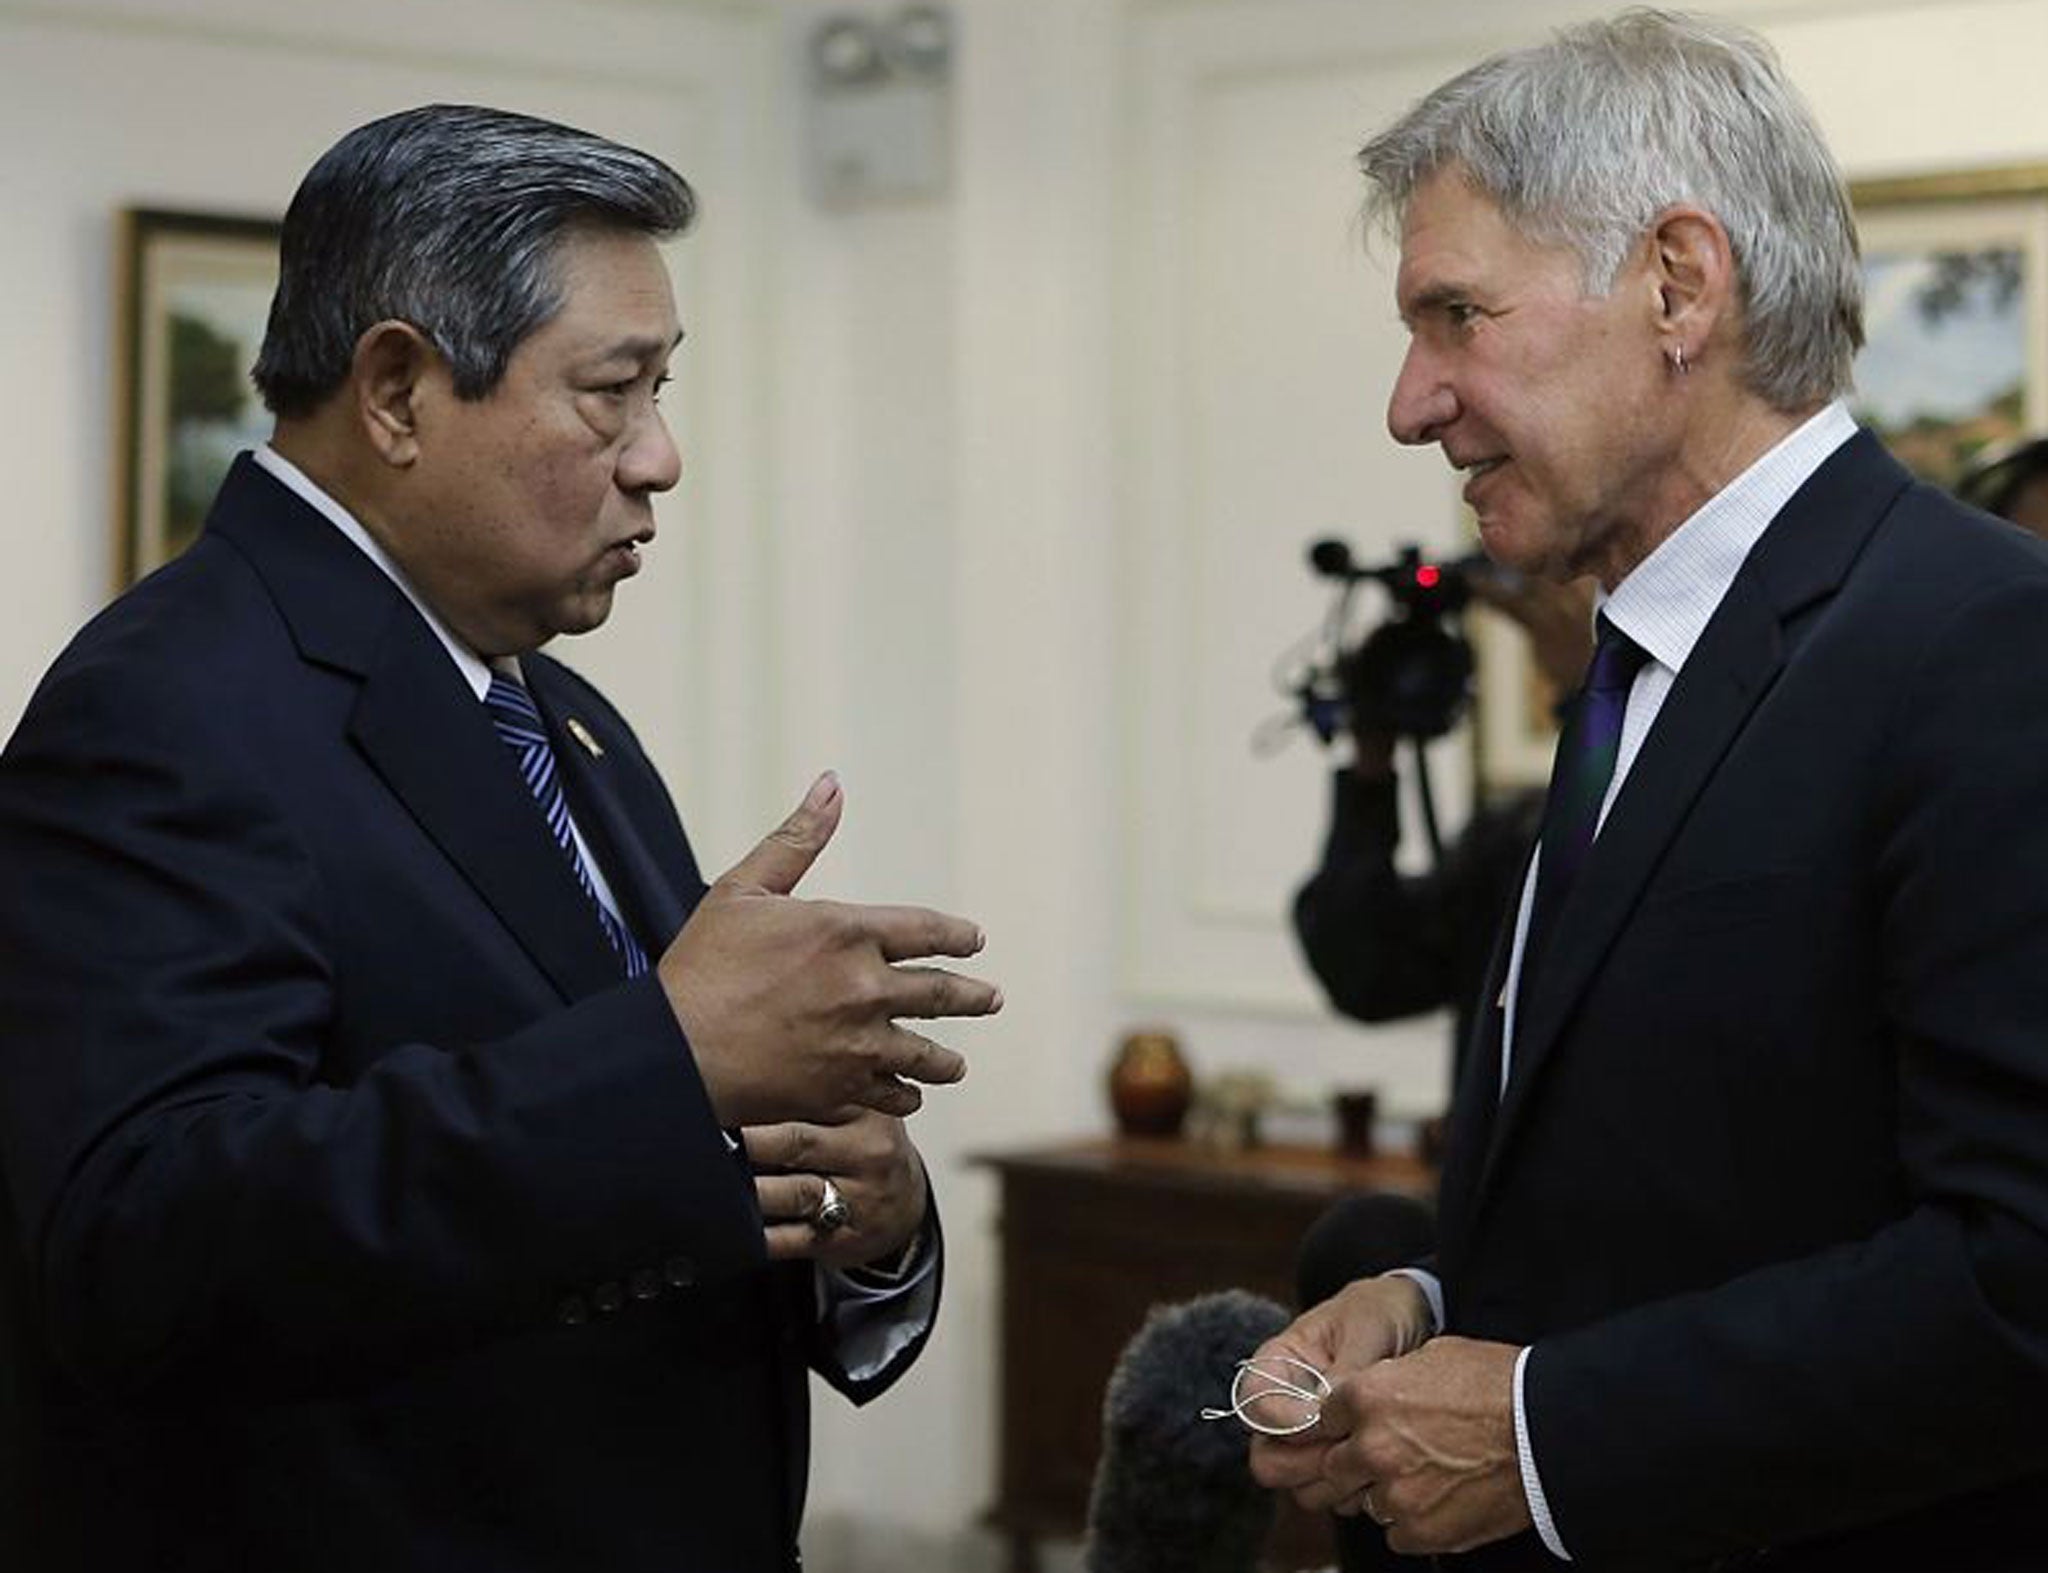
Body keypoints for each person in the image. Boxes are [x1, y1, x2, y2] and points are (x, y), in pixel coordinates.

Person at [0, 104, 1000, 1573]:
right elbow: (142, 1247)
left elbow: (619, 1170)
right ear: (399, 390)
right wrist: (676, 1056)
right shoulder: (165, 706)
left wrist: (863, 1221)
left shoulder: (556, 714)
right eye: (613, 392)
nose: (660, 458)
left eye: (663, 389)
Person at [1247, 11, 2048, 1570]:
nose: (1411, 403)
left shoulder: (1985, 646)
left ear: (1679, 285)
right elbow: (1703, 1184)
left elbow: (2023, 1275)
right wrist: (1430, 1299)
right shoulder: (1640, 662)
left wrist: (1545, 1430)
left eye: (1457, 317)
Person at [1293, 572, 1592, 1081]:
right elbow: (1368, 973)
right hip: (1485, 1155)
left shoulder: (1622, 833)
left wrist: (1589, 691)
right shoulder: (1509, 839)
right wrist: (1372, 759)